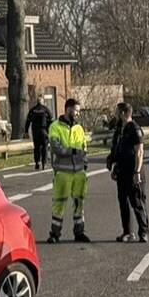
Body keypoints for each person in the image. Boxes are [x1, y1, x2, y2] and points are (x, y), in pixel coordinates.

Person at [46, 98, 90, 243]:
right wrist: (72, 151)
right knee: (59, 203)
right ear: (68, 109)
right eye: (76, 110)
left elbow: (84, 148)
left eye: (78, 111)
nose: (77, 113)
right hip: (62, 172)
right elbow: (55, 147)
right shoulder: (55, 127)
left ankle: (79, 232)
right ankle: (55, 234)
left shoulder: (79, 128)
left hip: (79, 172)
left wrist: (84, 165)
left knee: (79, 203)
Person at [107, 102, 148, 242]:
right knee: (123, 202)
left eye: (117, 112)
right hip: (121, 170)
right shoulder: (120, 129)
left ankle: (143, 232)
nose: (115, 114)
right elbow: (116, 149)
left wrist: (137, 172)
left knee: (137, 201)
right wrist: (113, 166)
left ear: (123, 113)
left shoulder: (135, 129)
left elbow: (139, 152)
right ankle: (128, 232)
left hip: (133, 171)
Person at [26, 97, 53, 170]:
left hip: (35, 131)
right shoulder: (46, 109)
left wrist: (26, 131)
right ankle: (44, 163)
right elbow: (51, 120)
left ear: (37, 102)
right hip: (43, 130)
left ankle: (37, 162)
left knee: (36, 147)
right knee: (44, 147)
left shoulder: (32, 110)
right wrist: (48, 128)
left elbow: (28, 121)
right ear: (43, 102)